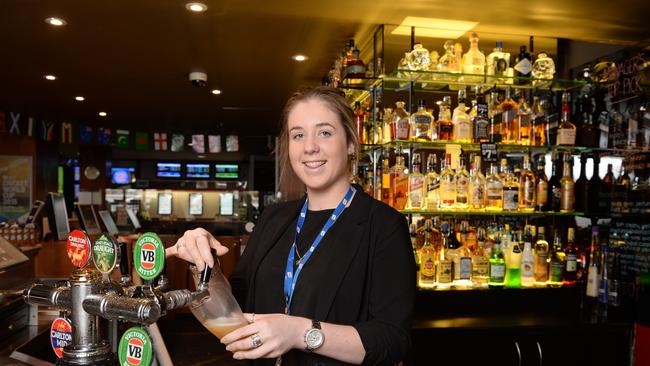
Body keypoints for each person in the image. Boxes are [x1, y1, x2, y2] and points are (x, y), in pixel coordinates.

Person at [166, 86, 415, 365]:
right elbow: (235, 309)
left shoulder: (383, 225)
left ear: (350, 143)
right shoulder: (274, 218)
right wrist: (205, 267)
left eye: (324, 132)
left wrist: (299, 332)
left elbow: (393, 340)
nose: (310, 146)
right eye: (298, 135)